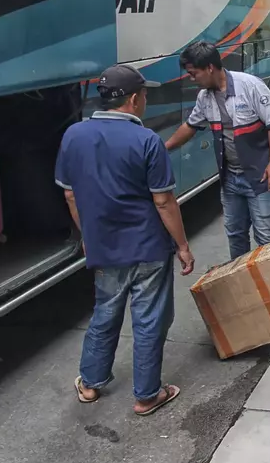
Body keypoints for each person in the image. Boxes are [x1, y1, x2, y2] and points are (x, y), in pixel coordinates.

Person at [55, 65, 194, 415]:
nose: (145, 100)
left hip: (104, 247)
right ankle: (147, 395)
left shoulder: (73, 135)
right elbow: (163, 201)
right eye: (144, 95)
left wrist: (88, 235)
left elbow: (70, 195)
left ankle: (90, 383)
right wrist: (182, 245)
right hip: (148, 247)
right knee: (149, 320)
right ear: (133, 99)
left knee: (105, 311)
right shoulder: (147, 140)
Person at [165, 42, 270, 260]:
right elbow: (190, 127)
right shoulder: (204, 97)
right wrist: (162, 148)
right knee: (236, 235)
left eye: (194, 74)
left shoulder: (250, 86)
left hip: (261, 177)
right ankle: (241, 279)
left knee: (266, 237)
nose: (191, 79)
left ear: (210, 68)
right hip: (230, 178)